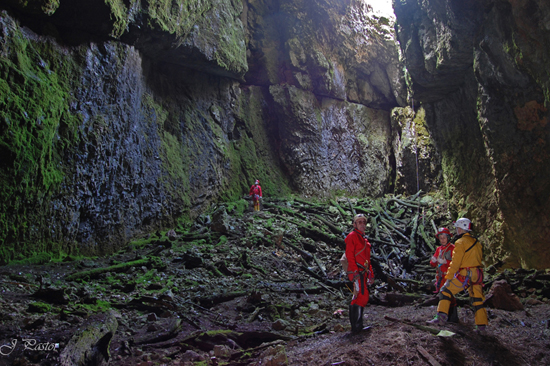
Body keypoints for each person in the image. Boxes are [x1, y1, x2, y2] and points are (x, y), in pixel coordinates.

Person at [427, 218, 488, 333]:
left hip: (466, 274)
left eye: (457, 228)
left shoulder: (460, 243)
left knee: (445, 291)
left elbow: (455, 263)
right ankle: (481, 326)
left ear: (460, 228)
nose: (456, 229)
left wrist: (449, 278)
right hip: (477, 274)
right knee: (477, 299)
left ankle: (441, 319)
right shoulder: (477, 242)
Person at [345, 213, 374, 333]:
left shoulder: (364, 240)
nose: (362, 224)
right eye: (359, 222)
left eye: (364, 222)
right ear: (354, 224)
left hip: (364, 271)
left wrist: (371, 274)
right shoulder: (352, 237)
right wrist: (355, 272)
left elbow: (368, 259)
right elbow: (350, 255)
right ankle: (357, 327)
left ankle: (357, 326)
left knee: (359, 295)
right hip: (357, 271)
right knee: (361, 296)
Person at [430, 227, 458, 323]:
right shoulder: (439, 249)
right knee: (443, 295)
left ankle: (451, 317)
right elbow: (433, 264)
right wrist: (433, 261)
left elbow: (456, 262)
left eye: (444, 238)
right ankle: (448, 317)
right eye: (440, 238)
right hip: (440, 276)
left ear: (448, 238)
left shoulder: (453, 248)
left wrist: (446, 262)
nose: (442, 240)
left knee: (448, 295)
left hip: (449, 276)